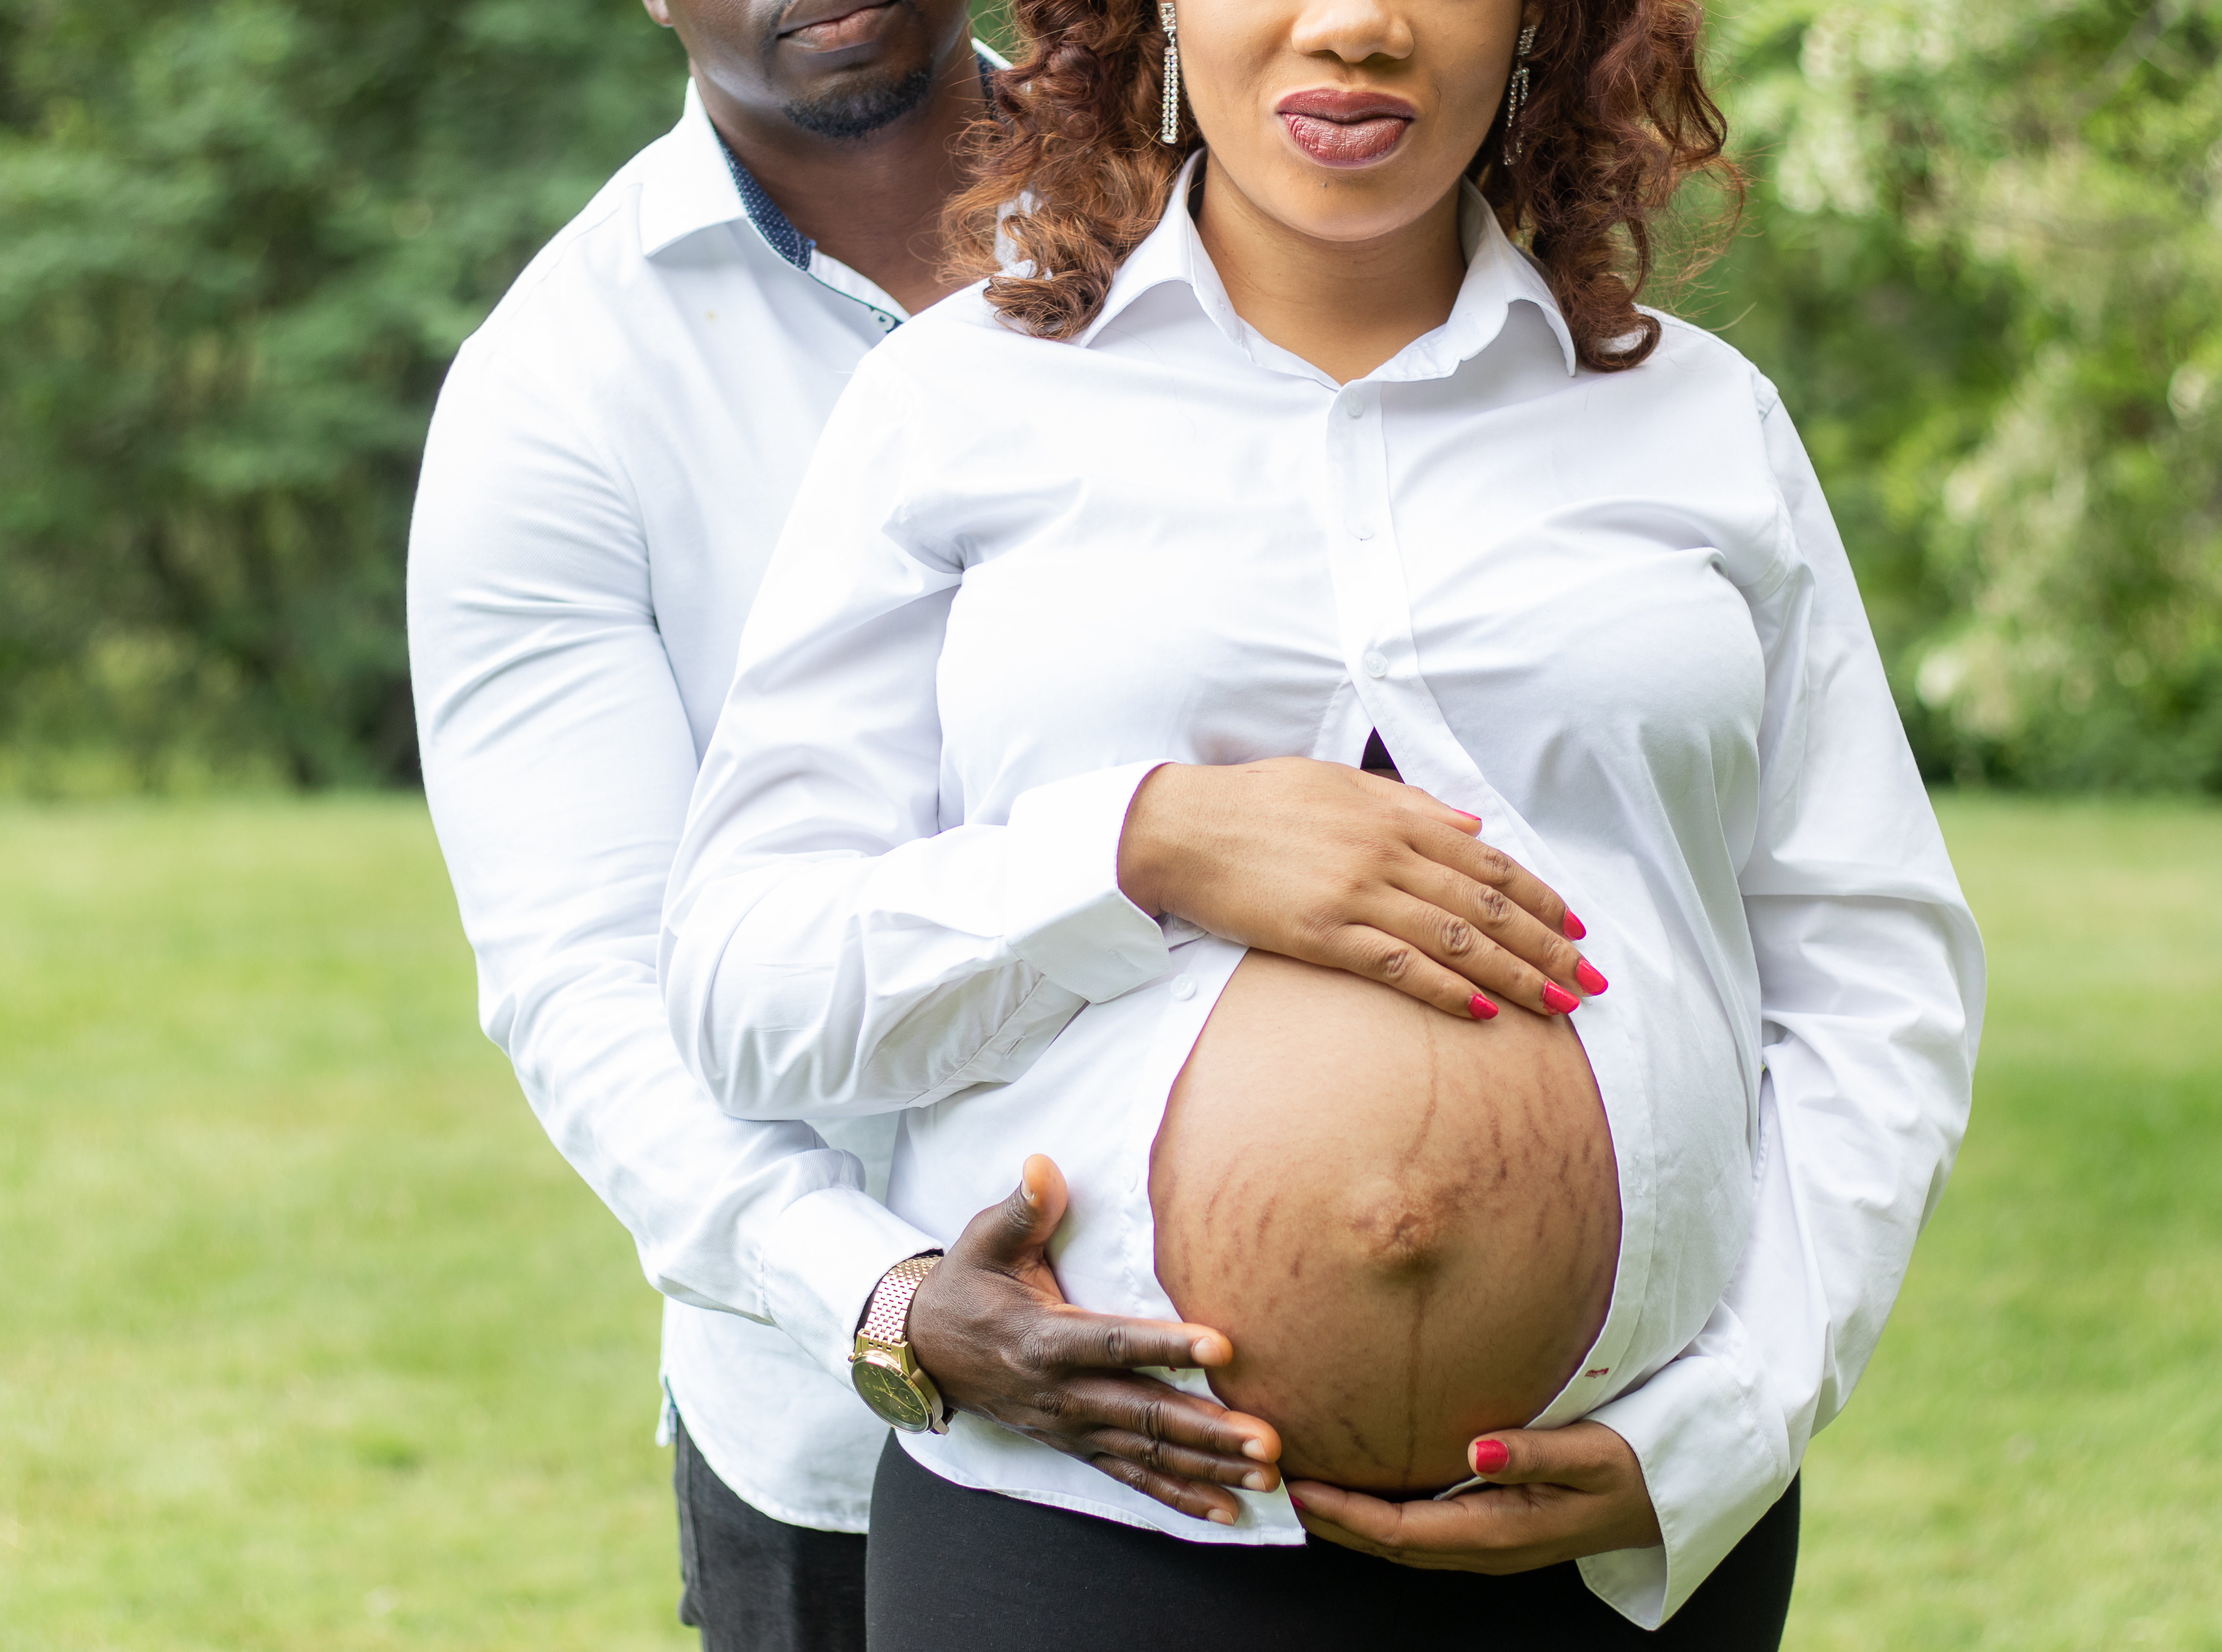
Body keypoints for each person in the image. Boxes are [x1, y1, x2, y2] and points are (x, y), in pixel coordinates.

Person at [662, 0, 1986, 1646]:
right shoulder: (954, 407)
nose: (1355, 23)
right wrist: (1138, 849)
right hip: (1081, 1537)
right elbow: (741, 985)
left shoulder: (1700, 424)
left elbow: (1875, 981)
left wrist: (1726, 1423)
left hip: (1602, 1546)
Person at [406, 4, 1285, 1648]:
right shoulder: (557, 389)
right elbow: (592, 981)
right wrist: (885, 1303)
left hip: (1320, 1355)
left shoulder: (1240, 196)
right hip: (853, 1449)